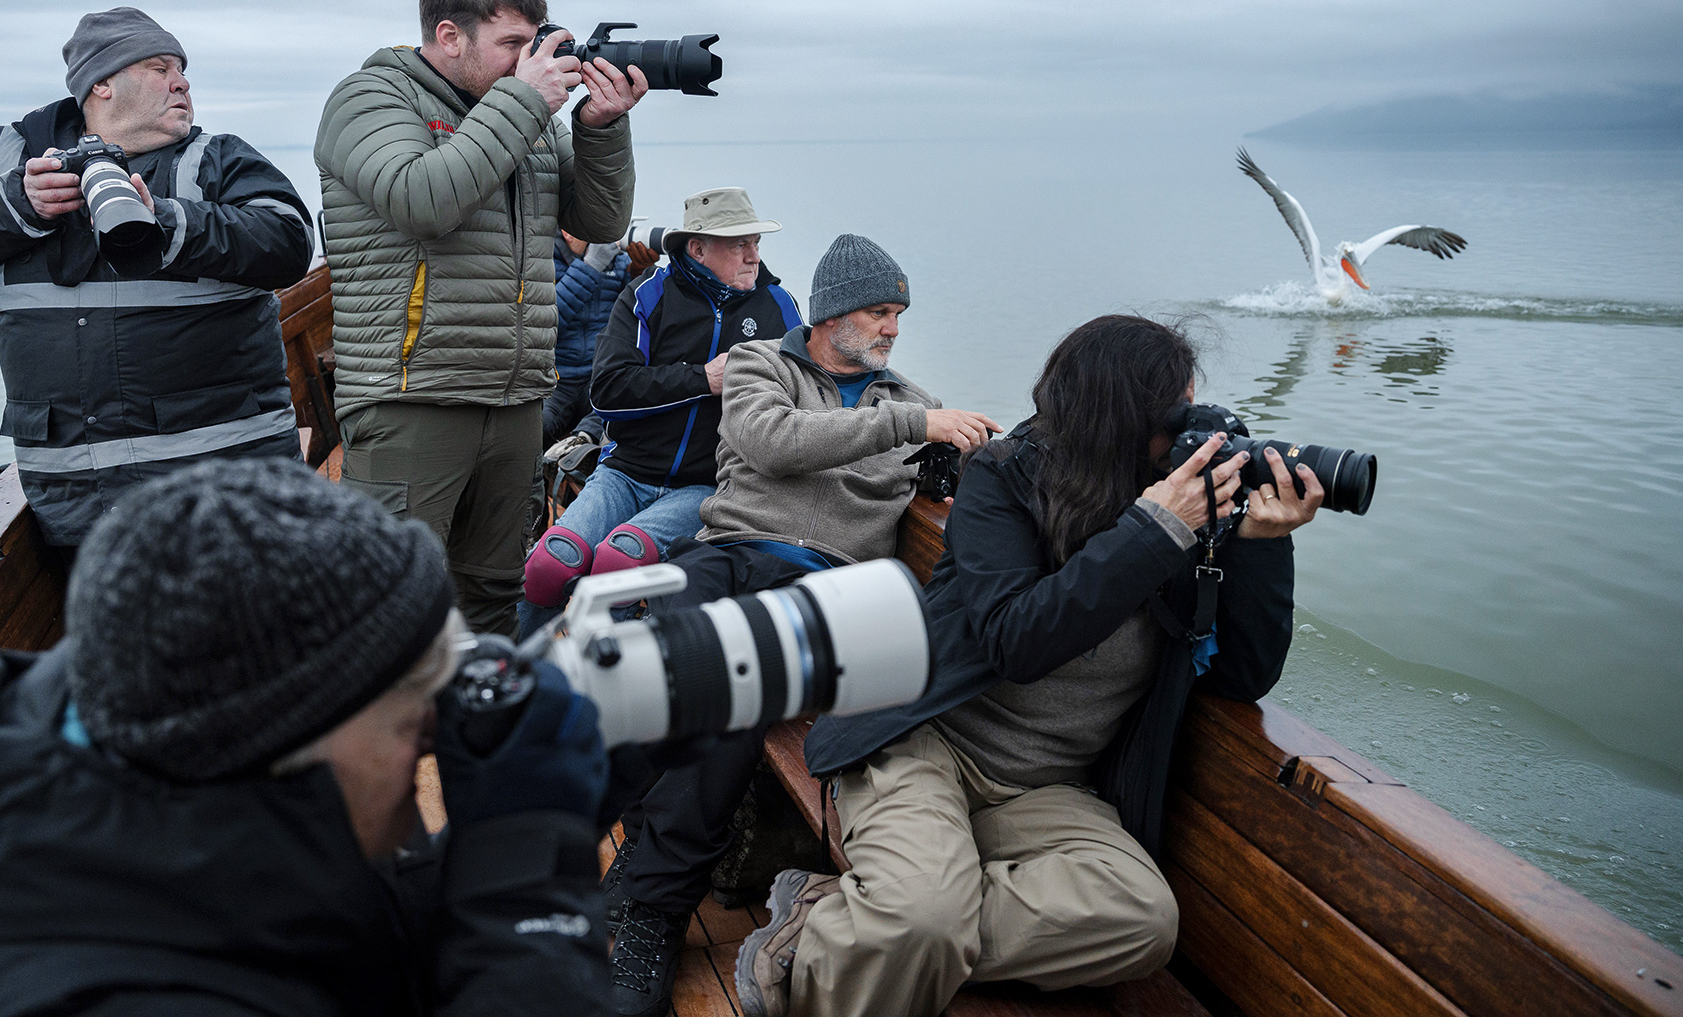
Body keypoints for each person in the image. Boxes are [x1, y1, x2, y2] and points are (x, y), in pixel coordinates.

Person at [0, 459, 613, 1017]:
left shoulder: (93, 788)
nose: (432, 742)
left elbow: (313, 914)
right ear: (294, 748)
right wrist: (528, 891)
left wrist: (526, 818)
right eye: (413, 720)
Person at [732, 315, 1321, 1017]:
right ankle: (895, 922)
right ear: (1120, 420)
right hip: (924, 740)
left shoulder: (1182, 512)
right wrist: (1154, 531)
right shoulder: (1006, 477)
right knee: (923, 916)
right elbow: (1018, 640)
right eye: (1177, 416)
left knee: (1141, 918)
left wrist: (1259, 541)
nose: (1190, 433)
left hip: (1046, 788)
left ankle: (841, 918)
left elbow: (1243, 677)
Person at [605, 234, 999, 1016]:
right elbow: (772, 442)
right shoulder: (763, 366)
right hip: (726, 552)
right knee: (665, 658)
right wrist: (911, 425)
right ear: (829, 313)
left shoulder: (909, 400)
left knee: (732, 676)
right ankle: (648, 846)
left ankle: (653, 905)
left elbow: (980, 485)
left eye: (899, 314)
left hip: (826, 585)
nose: (892, 329)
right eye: (878, 311)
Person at [0, 8, 313, 550]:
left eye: (182, 70)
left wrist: (167, 222)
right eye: (160, 68)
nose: (182, 83)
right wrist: (16, 202)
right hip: (80, 511)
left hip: (232, 494)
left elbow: (288, 241)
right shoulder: (4, 158)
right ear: (102, 84)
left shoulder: (216, 159)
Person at [314, 0, 640, 636]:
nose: (531, 59)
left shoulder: (527, 116)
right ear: (449, 36)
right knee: (390, 604)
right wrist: (525, 102)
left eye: (533, 41)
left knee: (493, 597)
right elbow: (422, 199)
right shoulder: (369, 99)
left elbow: (600, 222)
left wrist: (600, 128)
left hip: (515, 397)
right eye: (512, 43)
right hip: (413, 397)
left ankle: (483, 709)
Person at [520, 188, 801, 638]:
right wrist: (701, 379)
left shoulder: (778, 309)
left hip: (706, 485)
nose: (754, 256)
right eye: (739, 245)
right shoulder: (647, 293)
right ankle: (515, 664)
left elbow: (801, 399)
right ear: (698, 249)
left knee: (620, 562)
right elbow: (607, 391)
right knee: (549, 565)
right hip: (624, 472)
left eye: (755, 242)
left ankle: (604, 670)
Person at [544, 230, 634, 447]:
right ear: (568, 232)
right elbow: (546, 322)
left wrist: (641, 271)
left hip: (598, 376)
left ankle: (580, 443)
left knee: (621, 409)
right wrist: (591, 265)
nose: (606, 235)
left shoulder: (618, 262)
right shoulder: (543, 261)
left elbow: (635, 319)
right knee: (538, 427)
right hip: (555, 379)